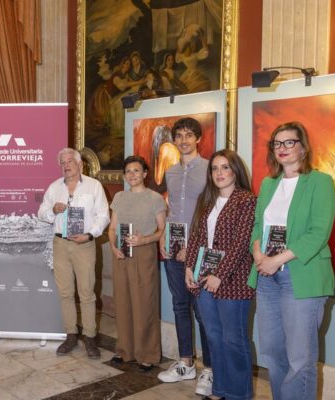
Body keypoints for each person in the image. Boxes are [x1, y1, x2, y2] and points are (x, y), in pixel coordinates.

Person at [248, 121, 335, 400]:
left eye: (289, 142)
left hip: (300, 276)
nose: (282, 148)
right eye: (277, 143)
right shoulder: (268, 183)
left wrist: (277, 260)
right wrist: (260, 255)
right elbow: (257, 225)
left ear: (303, 147)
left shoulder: (320, 182)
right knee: (273, 353)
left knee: (300, 357)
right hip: (267, 279)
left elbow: (318, 232)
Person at [185, 149, 257, 400]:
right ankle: (221, 388)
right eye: (215, 168)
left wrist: (220, 274)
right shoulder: (206, 200)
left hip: (234, 282)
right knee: (214, 337)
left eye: (225, 167)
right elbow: (196, 238)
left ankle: (239, 393)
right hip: (204, 279)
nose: (220, 173)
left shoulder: (246, 200)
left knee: (234, 340)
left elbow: (241, 243)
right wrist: (189, 268)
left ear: (235, 171)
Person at [157, 117, 213, 396]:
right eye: (179, 135)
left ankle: (210, 369)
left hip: (199, 251)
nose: (183, 140)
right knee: (180, 306)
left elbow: (212, 213)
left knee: (203, 312)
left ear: (198, 139)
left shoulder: (210, 169)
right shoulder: (170, 172)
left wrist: (191, 247)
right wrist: (163, 239)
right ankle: (186, 362)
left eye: (189, 135)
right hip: (173, 248)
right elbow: (171, 213)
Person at [38, 147, 109, 359]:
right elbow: (41, 212)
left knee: (87, 293)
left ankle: (89, 337)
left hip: (84, 245)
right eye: (62, 162)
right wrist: (52, 210)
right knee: (65, 293)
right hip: (60, 244)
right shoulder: (54, 188)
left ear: (80, 164)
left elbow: (103, 215)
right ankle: (71, 334)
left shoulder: (94, 186)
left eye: (70, 161)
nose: (66, 165)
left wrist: (90, 235)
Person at [107, 155, 166, 371]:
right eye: (128, 171)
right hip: (121, 254)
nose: (132, 174)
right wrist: (113, 247)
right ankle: (125, 350)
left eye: (136, 170)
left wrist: (144, 240)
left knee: (145, 304)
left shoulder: (154, 199)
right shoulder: (120, 198)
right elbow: (113, 227)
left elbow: (162, 230)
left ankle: (147, 354)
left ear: (144, 173)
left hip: (144, 254)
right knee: (122, 303)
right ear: (124, 176)